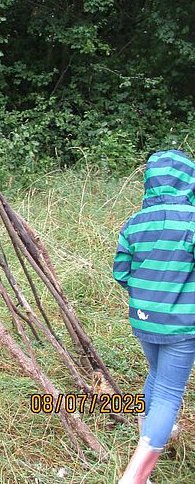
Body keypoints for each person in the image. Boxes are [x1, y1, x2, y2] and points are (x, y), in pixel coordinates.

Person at [113, 150, 195, 484]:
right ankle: (135, 476)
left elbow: (120, 272)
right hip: (182, 326)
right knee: (169, 394)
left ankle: (150, 431)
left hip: (144, 320)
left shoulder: (134, 222)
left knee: (157, 375)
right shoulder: (191, 220)